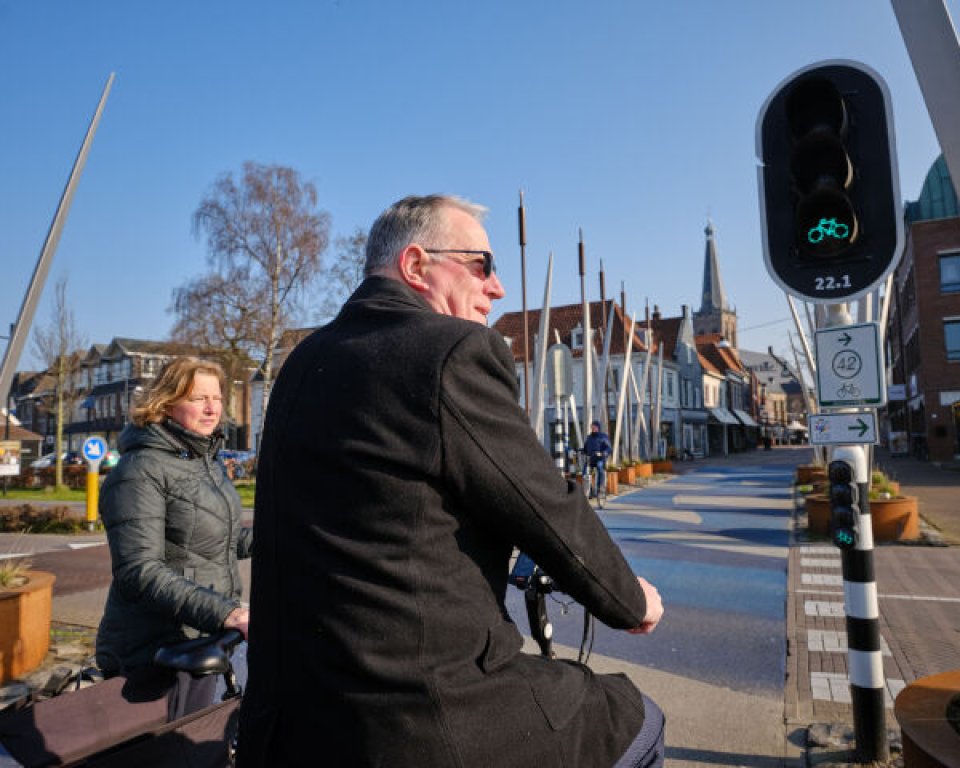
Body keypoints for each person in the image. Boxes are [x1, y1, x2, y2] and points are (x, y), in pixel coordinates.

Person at [238, 195, 665, 767]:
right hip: (416, 717)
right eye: (482, 265)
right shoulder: (448, 351)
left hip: (293, 724)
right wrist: (630, 601)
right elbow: (544, 507)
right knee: (636, 718)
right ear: (416, 266)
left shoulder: (302, 361)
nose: (499, 289)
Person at [95, 356, 252, 719]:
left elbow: (220, 541)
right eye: (199, 398)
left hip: (202, 636)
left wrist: (285, 535)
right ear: (166, 402)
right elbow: (139, 571)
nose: (212, 408)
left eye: (217, 397)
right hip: (155, 645)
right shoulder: (139, 470)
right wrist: (226, 612)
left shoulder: (203, 461)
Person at [583, 419, 613, 497]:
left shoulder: (603, 436)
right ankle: (590, 490)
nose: (592, 428)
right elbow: (585, 448)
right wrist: (581, 450)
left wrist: (604, 453)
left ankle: (601, 488)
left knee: (600, 468)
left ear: (598, 428)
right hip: (591, 459)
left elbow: (609, 448)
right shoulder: (589, 437)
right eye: (591, 427)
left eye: (594, 427)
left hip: (600, 459)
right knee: (585, 472)